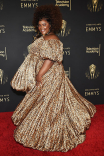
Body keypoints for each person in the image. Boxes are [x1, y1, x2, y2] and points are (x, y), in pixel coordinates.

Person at [11, 4, 96, 152]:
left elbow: (49, 60)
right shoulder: (45, 37)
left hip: (49, 76)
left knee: (48, 104)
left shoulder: (52, 39)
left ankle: (49, 133)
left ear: (51, 24)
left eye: (44, 24)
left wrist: (39, 75)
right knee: (45, 103)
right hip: (50, 75)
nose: (41, 27)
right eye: (39, 25)